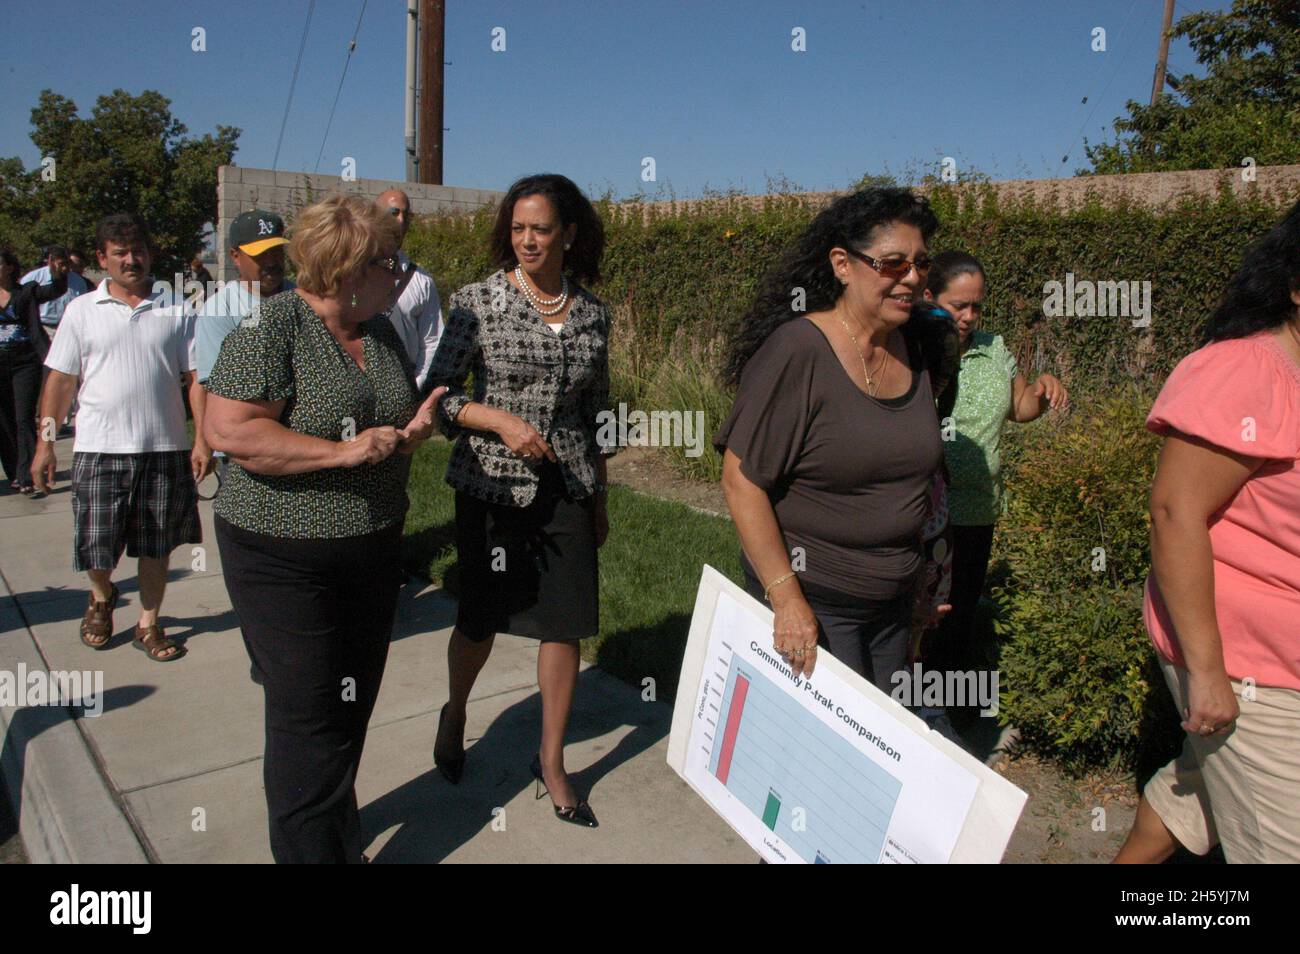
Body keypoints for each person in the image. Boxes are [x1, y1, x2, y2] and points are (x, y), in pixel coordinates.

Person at [203, 194, 439, 864]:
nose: (398, 278)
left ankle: (336, 836)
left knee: (351, 703)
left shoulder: (381, 332)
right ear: (345, 270)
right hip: (282, 556)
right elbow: (231, 430)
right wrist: (340, 452)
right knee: (308, 719)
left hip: (371, 545)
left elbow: (382, 427)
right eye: (386, 265)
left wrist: (410, 436)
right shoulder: (272, 327)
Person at [1114, 200, 1300, 864]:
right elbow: (1174, 513)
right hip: (1255, 668)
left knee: (1199, 795)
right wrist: (1209, 672)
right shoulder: (1246, 372)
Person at [428, 173, 611, 828]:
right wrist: (498, 420)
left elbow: (595, 412)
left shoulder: (593, 313)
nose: (528, 240)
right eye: (518, 229)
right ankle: (455, 714)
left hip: (567, 486)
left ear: (568, 234)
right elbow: (440, 398)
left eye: (540, 228)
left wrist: (601, 497)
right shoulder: (478, 301)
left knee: (563, 623)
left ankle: (552, 760)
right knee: (480, 617)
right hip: (491, 487)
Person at [715, 187, 948, 693]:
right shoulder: (799, 351)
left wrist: (920, 584)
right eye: (892, 264)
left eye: (921, 263)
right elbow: (741, 481)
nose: (911, 277)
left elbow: (916, 482)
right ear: (843, 264)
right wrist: (786, 599)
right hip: (815, 609)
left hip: (892, 609)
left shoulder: (918, 348)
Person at [33, 214, 205, 662]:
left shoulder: (176, 307)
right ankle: (102, 594)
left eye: (139, 251)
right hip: (98, 447)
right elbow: (60, 382)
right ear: (101, 259)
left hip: (163, 447)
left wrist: (203, 438)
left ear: (150, 253)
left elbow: (195, 380)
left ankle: (148, 623)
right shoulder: (81, 311)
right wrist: (45, 444)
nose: (132, 260)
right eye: (120, 253)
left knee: (156, 544)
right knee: (97, 541)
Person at [919, 252, 1068, 685]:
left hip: (978, 508)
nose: (968, 316)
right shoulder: (913, 351)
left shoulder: (994, 349)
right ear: (929, 297)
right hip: (925, 510)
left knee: (960, 612)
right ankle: (904, 705)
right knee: (922, 612)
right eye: (957, 306)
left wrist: (1042, 390)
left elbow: (1018, 408)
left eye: (977, 306)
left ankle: (946, 706)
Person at [194, 209, 295, 485]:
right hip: (246, 450)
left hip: (301, 444)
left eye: (276, 252)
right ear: (235, 257)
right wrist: (203, 442)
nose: (271, 261)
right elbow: (208, 386)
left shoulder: (302, 299)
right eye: (260, 254)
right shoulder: (220, 310)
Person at [0, 246, 66, 495]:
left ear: (9, 267)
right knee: (4, 422)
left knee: (23, 417)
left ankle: (25, 474)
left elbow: (54, 290)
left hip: (24, 363)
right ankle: (14, 471)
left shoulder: (25, 292)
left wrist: (57, 274)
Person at [375, 188, 444, 391]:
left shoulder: (422, 282)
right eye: (394, 212)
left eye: (407, 215)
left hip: (407, 388)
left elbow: (432, 342)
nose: (401, 221)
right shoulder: (353, 273)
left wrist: (416, 386)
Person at [20, 245, 91, 330]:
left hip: (69, 327)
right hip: (43, 327)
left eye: (67, 263)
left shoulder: (79, 281)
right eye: (61, 264)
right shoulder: (33, 278)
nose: (65, 268)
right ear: (50, 261)